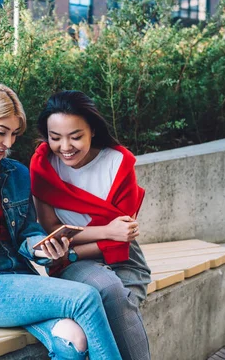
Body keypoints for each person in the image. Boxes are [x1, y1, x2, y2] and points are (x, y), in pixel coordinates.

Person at [0, 83, 122, 360]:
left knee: (72, 340)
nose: (9, 143)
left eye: (14, 134)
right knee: (85, 298)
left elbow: (28, 232)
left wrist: (43, 249)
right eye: (1, 132)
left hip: (18, 280)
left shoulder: (15, 172)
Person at [30, 90, 152, 360]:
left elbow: (123, 238)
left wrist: (74, 248)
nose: (65, 147)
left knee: (114, 308)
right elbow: (52, 229)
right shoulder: (43, 165)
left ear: (93, 131)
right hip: (72, 263)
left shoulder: (119, 163)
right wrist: (107, 232)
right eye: (55, 138)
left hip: (125, 260)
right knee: (108, 291)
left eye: (75, 137)